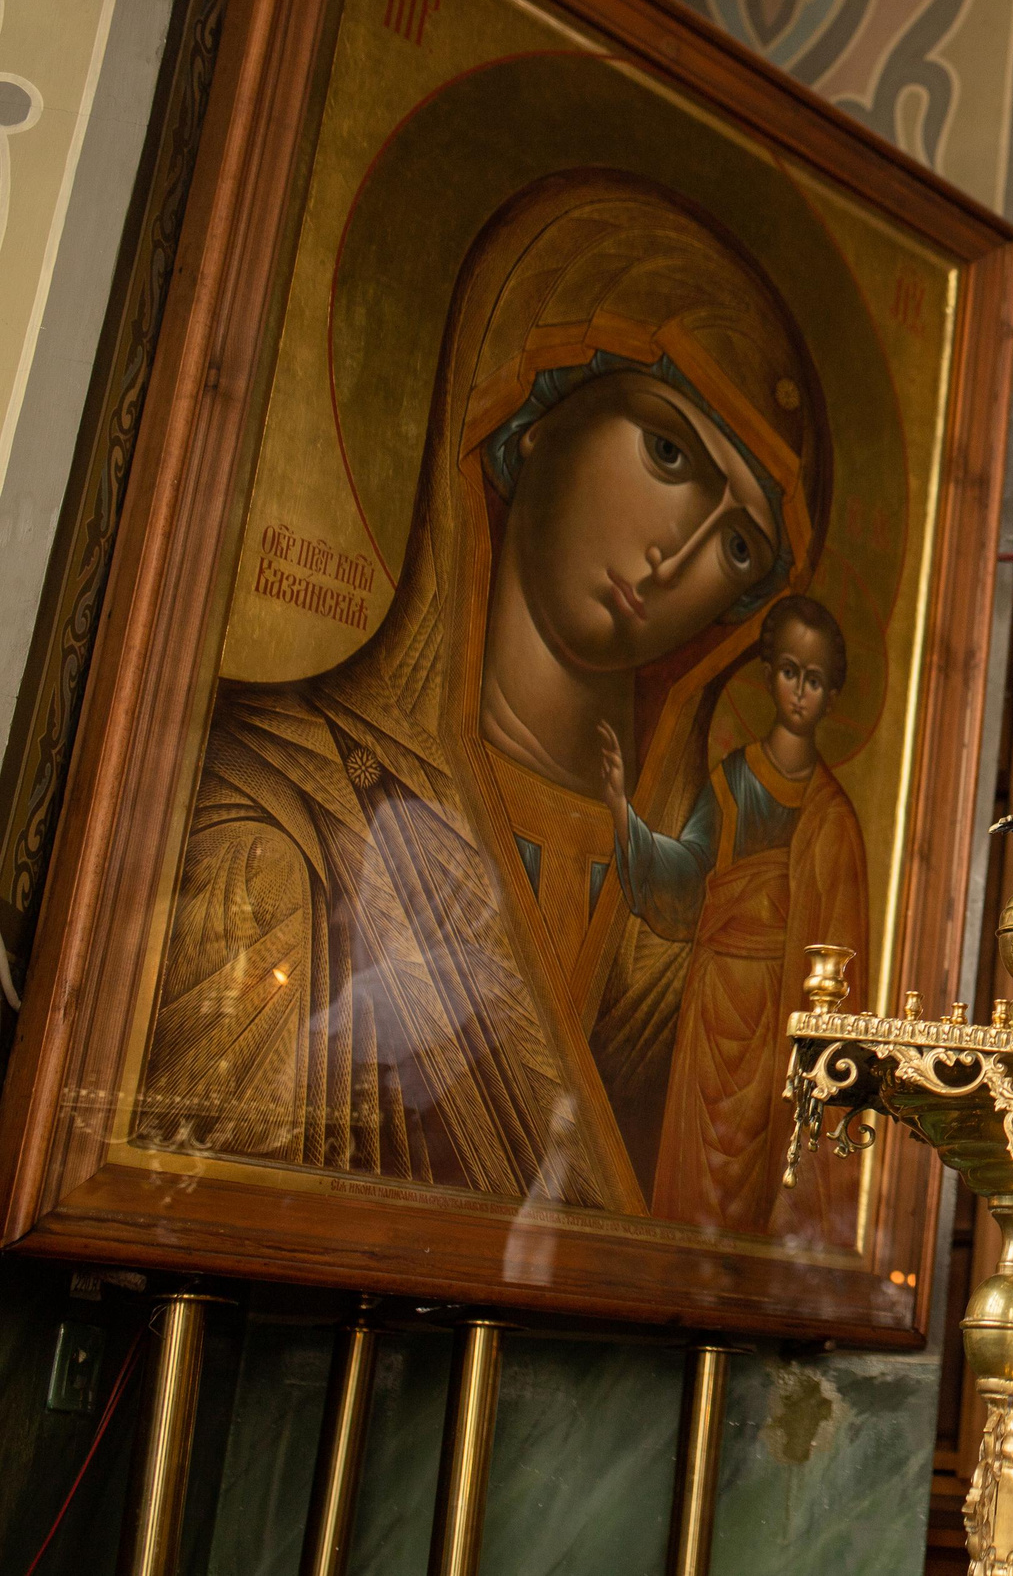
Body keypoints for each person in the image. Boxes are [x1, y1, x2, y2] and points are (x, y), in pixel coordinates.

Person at [136, 176, 835, 1213]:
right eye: (669, 451)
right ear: (529, 415)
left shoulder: (672, 944)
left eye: (739, 544)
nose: (679, 552)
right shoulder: (272, 817)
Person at [601, 593, 870, 1233]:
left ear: (831, 693)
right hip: (715, 996)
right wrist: (620, 812)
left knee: (760, 1190)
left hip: (781, 1018)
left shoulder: (835, 821)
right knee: (695, 1189)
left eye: (813, 679)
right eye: (787, 671)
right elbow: (689, 877)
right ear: (770, 673)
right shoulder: (731, 780)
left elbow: (846, 962)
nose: (798, 692)